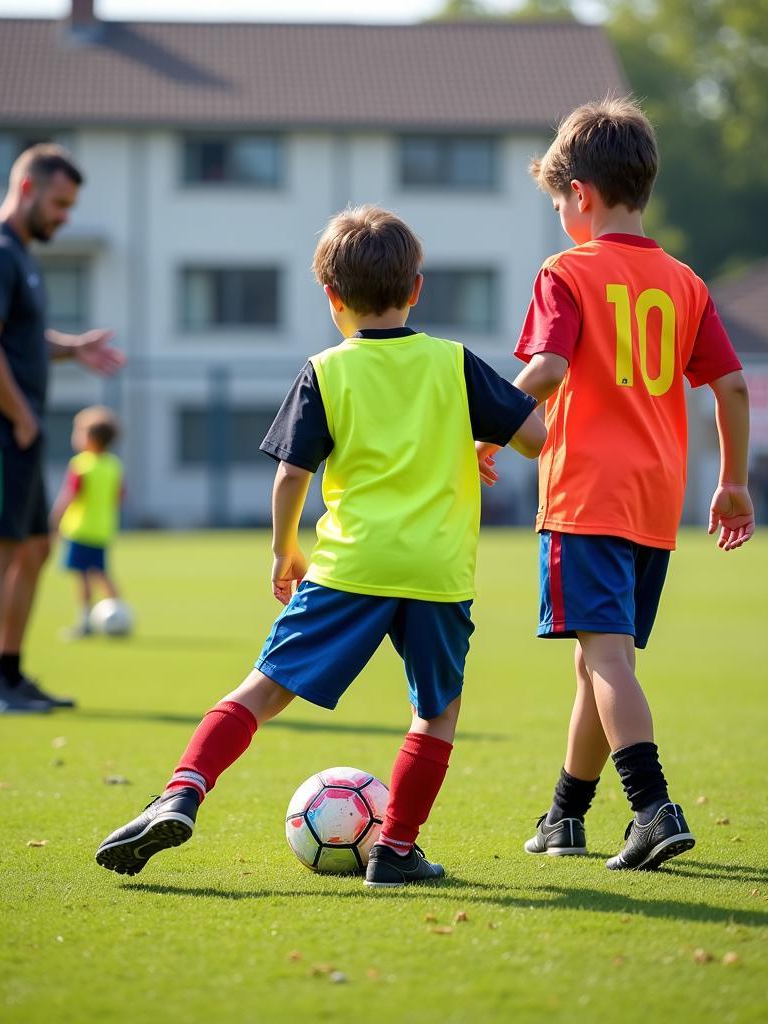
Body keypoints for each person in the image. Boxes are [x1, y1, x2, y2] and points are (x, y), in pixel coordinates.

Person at [95, 205, 546, 887]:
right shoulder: (454, 363)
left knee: (265, 689)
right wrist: (488, 438)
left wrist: (283, 550)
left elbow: (290, 475)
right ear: (417, 288)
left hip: (350, 564)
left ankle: (182, 792)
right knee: (436, 710)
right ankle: (394, 850)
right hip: (437, 571)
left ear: (332, 298)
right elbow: (538, 438)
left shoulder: (325, 370)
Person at [479, 98, 755, 871]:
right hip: (655, 499)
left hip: (585, 495)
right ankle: (565, 816)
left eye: (560, 199)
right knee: (600, 660)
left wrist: (489, 422)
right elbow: (731, 387)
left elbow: (548, 369)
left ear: (582, 196)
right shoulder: (685, 281)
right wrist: (732, 481)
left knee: (605, 658)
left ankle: (652, 808)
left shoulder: (565, 271)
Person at [0, 143, 125, 715]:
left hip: (14, 429)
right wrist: (19, 412)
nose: (65, 216)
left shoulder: (18, 254)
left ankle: (10, 674)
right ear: (27, 188)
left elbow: (14, 335)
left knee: (36, 546)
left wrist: (71, 349)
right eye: (60, 203)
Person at [49, 405, 125, 637]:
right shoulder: (113, 465)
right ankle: (120, 611)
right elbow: (118, 497)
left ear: (90, 438)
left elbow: (69, 496)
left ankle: (85, 623)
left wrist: (55, 520)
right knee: (102, 573)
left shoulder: (81, 465)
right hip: (102, 530)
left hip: (80, 530)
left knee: (83, 577)